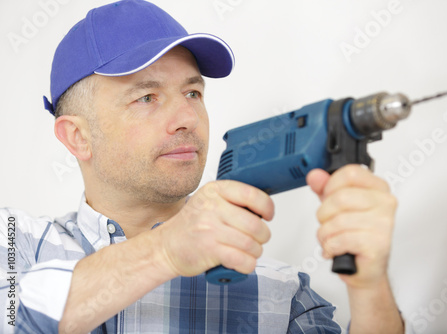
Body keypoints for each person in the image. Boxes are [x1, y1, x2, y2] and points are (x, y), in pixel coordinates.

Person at [0, 0, 409, 333]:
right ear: (77, 137)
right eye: (147, 97)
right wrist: (164, 250)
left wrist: (370, 288)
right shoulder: (17, 244)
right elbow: (15, 317)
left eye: (193, 92)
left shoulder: (280, 291)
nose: (188, 119)